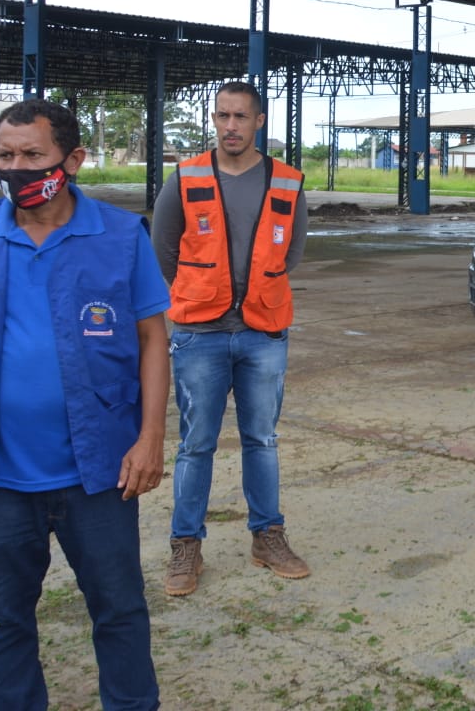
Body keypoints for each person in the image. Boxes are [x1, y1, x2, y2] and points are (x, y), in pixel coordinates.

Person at [0, 98, 166, 709]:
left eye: (33, 155)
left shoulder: (118, 235)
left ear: (73, 160)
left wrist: (151, 438)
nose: (18, 168)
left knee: (119, 611)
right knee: (2, 620)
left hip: (100, 472)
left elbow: (151, 340)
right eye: (6, 156)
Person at [152, 80, 309, 596]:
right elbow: (163, 250)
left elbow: (291, 254)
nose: (230, 126)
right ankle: (186, 546)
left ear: (259, 122)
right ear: (213, 120)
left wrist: (253, 295)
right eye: (222, 116)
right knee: (195, 445)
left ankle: (267, 535)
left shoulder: (286, 181)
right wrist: (202, 292)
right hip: (200, 333)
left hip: (264, 332)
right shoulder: (186, 177)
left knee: (261, 440)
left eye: (240, 117)